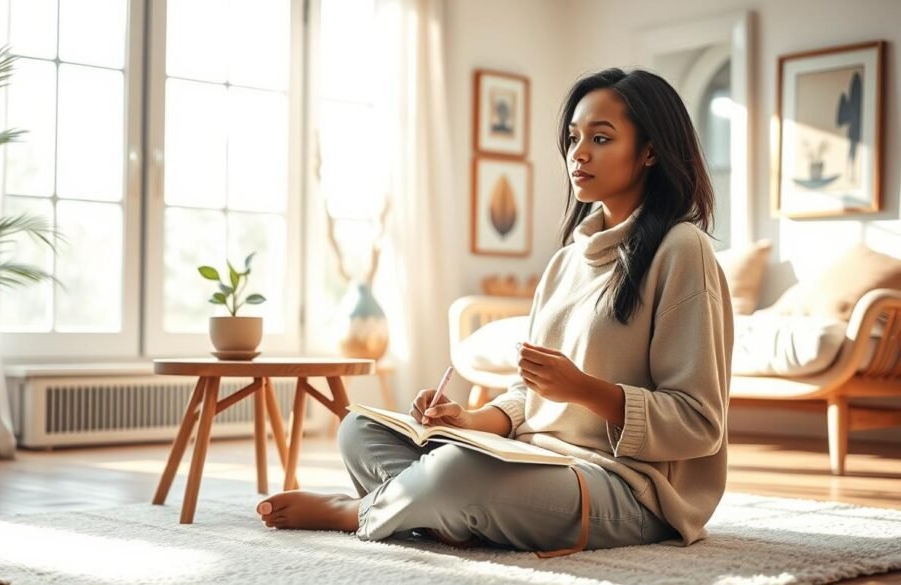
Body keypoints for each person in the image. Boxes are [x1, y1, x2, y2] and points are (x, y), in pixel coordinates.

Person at [256, 67, 734, 554]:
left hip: (628, 491)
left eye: (601, 138)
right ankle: (442, 509)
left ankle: (361, 510)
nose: (579, 153)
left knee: (455, 473)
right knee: (359, 429)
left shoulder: (682, 250)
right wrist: (468, 419)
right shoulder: (567, 261)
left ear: (650, 151)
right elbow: (528, 396)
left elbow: (698, 422)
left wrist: (584, 390)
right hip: (533, 462)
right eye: (573, 138)